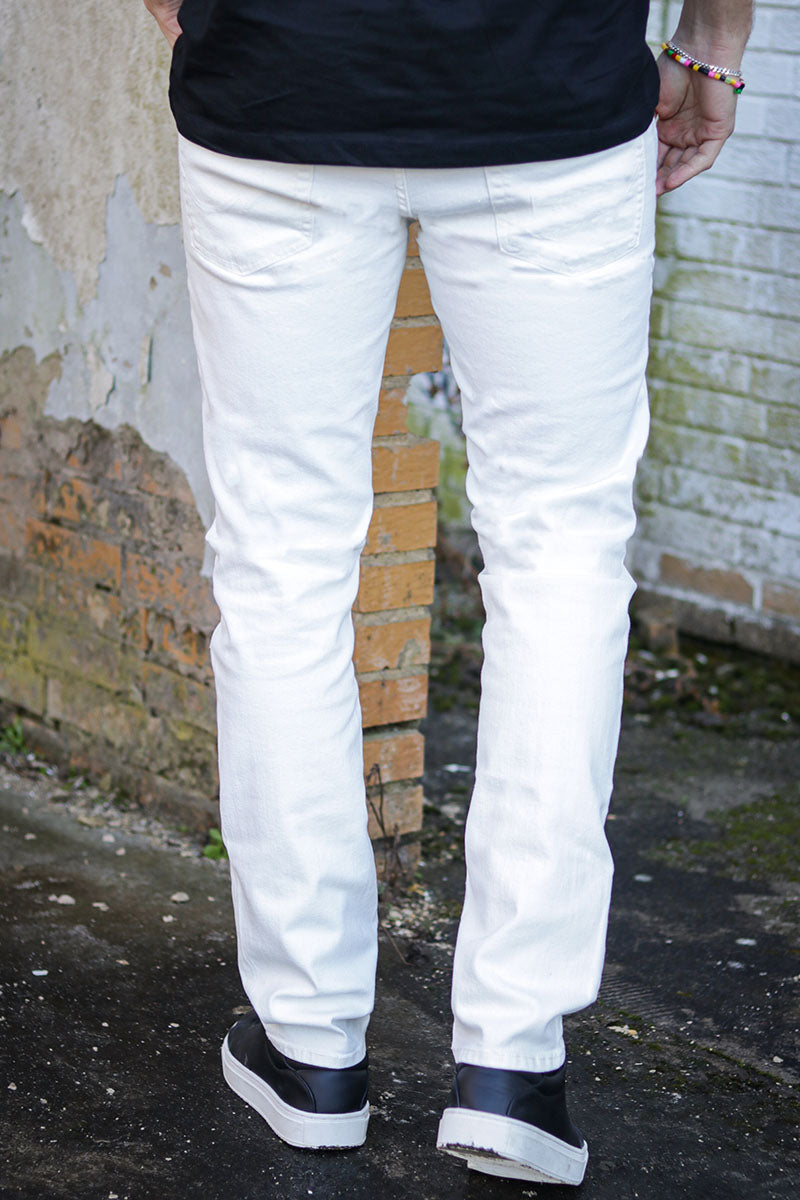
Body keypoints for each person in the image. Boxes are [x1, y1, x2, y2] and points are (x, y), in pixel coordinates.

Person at [144, 0, 752, 1185]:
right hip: (548, 85)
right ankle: (513, 1066)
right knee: (560, 556)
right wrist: (709, 47)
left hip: (279, 76)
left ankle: (310, 1047)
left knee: (280, 557)